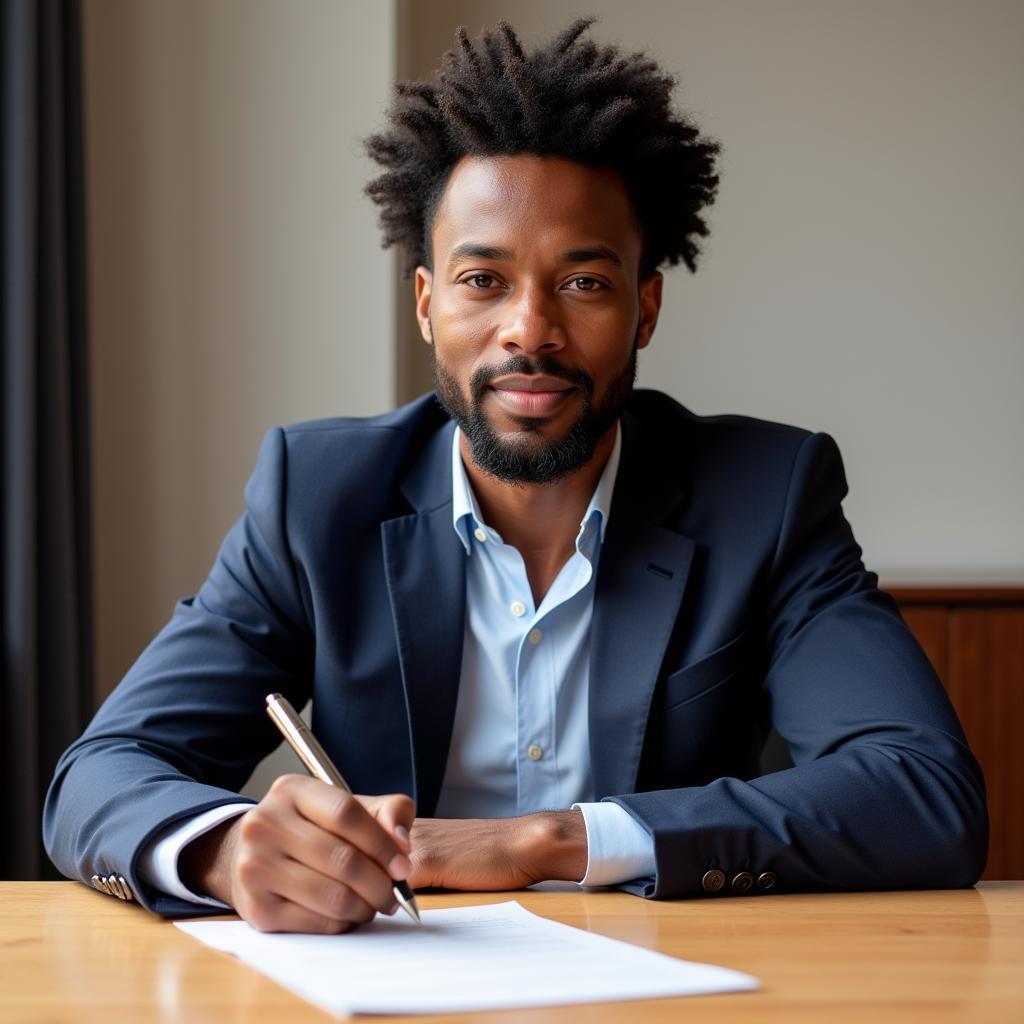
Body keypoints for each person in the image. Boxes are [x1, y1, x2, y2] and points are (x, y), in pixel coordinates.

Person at [44, 19, 987, 933]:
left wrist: (552, 840)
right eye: (483, 280)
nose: (529, 331)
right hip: (389, 986)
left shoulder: (766, 497)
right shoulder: (316, 496)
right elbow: (103, 772)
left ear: (644, 307)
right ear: (426, 304)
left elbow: (924, 788)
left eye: (583, 282)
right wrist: (226, 848)